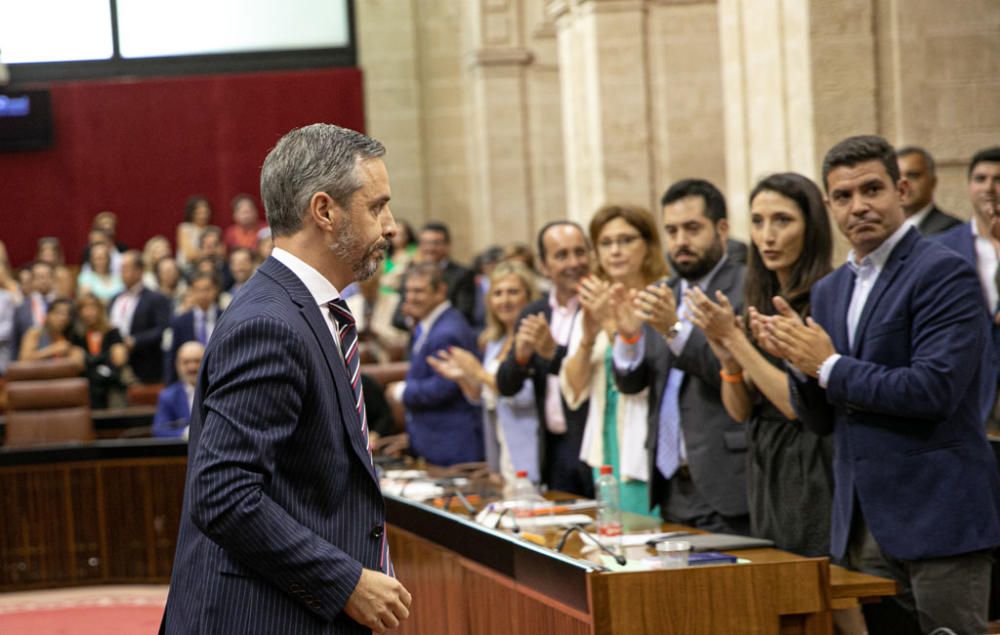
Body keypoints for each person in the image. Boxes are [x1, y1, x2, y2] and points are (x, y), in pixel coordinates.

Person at [161, 123, 411, 634]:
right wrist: (345, 581)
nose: (390, 226)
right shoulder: (270, 323)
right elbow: (224, 495)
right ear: (324, 211)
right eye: (376, 206)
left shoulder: (304, 310)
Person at [762, 135, 1000, 634]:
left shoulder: (943, 272)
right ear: (829, 206)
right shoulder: (830, 289)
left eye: (872, 189)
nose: (859, 206)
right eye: (843, 197)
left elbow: (932, 389)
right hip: (862, 523)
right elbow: (822, 418)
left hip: (938, 514)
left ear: (902, 190)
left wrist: (827, 366)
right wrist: (798, 364)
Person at [682, 173, 833, 556]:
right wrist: (729, 362)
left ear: (811, 226)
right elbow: (739, 409)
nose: (767, 235)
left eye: (782, 220)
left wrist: (734, 340)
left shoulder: (825, 296)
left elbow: (795, 404)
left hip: (811, 460)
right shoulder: (759, 299)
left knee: (825, 587)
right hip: (765, 459)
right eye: (758, 221)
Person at [611, 179, 750, 533]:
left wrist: (672, 327)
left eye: (692, 228)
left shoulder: (745, 287)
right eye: (672, 231)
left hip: (726, 479)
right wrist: (629, 338)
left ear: (721, 229)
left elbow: (724, 366)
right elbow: (632, 384)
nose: (681, 242)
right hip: (670, 483)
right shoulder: (663, 292)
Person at [561, 204, 669, 516]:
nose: (615, 251)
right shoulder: (595, 300)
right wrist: (587, 337)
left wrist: (611, 325)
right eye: (606, 243)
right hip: (606, 436)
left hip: (645, 437)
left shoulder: (661, 297)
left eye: (626, 240)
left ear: (648, 246)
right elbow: (573, 389)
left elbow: (646, 375)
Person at [496, 221, 595, 497]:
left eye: (580, 252)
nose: (574, 262)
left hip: (594, 446)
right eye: (561, 255)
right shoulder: (535, 312)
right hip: (553, 448)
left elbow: (585, 374)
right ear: (543, 265)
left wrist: (553, 351)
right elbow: (505, 385)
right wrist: (521, 356)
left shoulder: (596, 307)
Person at [428, 261, 540, 483]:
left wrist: (478, 372)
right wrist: (463, 378)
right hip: (499, 446)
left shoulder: (534, 339)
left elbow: (524, 397)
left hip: (528, 448)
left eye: (513, 292)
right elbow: (486, 397)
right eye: (497, 293)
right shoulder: (494, 341)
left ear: (528, 296)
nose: (505, 300)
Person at [390, 263, 483, 466]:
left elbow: (446, 386)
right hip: (434, 440)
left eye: (419, 291)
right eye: (408, 291)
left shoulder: (447, 331)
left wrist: (402, 391)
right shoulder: (428, 322)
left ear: (440, 291)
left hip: (452, 444)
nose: (411, 297)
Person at [935, 146, 1000, 433]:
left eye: (998, 179)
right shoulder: (941, 248)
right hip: (968, 391)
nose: (989, 188)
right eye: (980, 178)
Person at [391, 222, 477, 329]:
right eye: (425, 243)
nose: (430, 248)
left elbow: (463, 314)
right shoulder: (410, 274)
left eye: (436, 243)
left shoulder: (463, 274)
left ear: (447, 245)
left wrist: (425, 317)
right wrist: (413, 321)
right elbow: (397, 319)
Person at [109, 251, 172, 385]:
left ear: (139, 271)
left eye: (126, 268)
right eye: (121, 269)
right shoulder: (115, 298)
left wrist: (135, 341)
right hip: (115, 366)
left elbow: (162, 329)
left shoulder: (156, 298)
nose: (122, 273)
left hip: (146, 365)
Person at [71, 293, 129, 409]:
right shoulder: (76, 335)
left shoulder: (112, 332)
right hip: (88, 386)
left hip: (111, 384)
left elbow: (119, 359)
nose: (89, 312)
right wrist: (103, 359)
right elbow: (77, 363)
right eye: (84, 308)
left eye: (92, 307)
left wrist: (91, 360)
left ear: (100, 310)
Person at [163, 271, 221, 383]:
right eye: (198, 290)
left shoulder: (226, 318)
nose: (203, 294)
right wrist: (170, 384)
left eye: (207, 289)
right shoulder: (179, 321)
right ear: (192, 292)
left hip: (219, 378)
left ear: (215, 290)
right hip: (189, 380)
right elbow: (171, 356)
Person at [345, 265, 408, 363]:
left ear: (378, 283)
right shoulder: (350, 303)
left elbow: (404, 338)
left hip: (386, 358)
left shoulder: (395, 301)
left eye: (371, 288)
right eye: (363, 288)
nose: (367, 293)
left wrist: (379, 334)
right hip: (357, 359)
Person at [895, 146, 962, 235]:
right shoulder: (880, 230)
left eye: (913, 175)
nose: (903, 184)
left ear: (932, 182)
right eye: (896, 177)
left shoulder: (952, 230)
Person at [152, 341, 204, 438]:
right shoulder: (167, 396)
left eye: (197, 361)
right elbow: (159, 431)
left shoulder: (216, 392)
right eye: (186, 362)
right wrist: (186, 433)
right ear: (177, 365)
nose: (192, 367)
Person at [18, 298, 84, 368]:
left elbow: (78, 362)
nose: (63, 318)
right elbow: (24, 360)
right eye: (58, 313)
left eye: (67, 315)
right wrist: (52, 350)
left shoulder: (69, 336)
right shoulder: (35, 333)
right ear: (48, 315)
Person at [12, 260, 56, 353]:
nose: (44, 280)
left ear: (53, 279)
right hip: (29, 362)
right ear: (31, 281)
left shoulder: (63, 304)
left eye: (47, 276)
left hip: (60, 360)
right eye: (39, 277)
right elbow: (15, 341)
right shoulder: (21, 308)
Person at [176, 195, 214, 271]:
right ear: (192, 212)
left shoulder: (213, 230)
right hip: (187, 269)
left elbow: (220, 252)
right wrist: (207, 252)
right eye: (199, 212)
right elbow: (189, 255)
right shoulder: (185, 228)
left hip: (209, 269)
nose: (202, 216)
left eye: (205, 211)